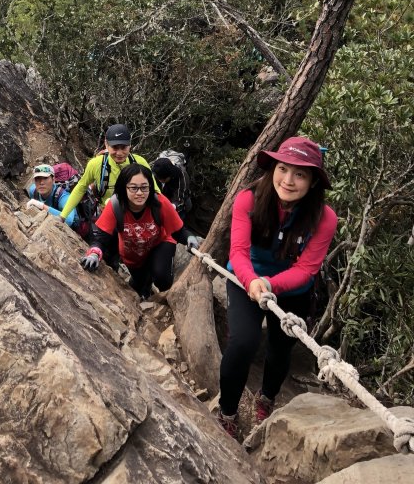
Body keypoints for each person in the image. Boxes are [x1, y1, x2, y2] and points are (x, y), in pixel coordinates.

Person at [217, 136, 337, 440]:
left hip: (291, 289)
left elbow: (307, 269)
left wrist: (270, 284)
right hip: (246, 279)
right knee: (243, 342)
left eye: (300, 174)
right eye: (283, 169)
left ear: (312, 182)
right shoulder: (249, 199)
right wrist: (253, 281)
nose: (289, 180)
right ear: (273, 169)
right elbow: (238, 252)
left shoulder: (324, 218)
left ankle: (266, 398)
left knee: (281, 349)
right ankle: (228, 411)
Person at [79, 163, 200, 300]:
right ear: (124, 188)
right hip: (132, 252)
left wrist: (189, 237)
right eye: (133, 188)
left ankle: (162, 300)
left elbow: (178, 231)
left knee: (163, 279)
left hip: (159, 244)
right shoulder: (115, 205)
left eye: (144, 187)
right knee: (140, 284)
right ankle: (144, 287)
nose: (140, 193)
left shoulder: (159, 203)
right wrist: (94, 254)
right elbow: (101, 237)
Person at [56, 124, 156, 224]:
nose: (120, 153)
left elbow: (155, 192)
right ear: (106, 144)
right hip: (108, 217)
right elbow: (81, 188)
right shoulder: (96, 164)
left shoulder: (140, 163)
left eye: (124, 147)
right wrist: (63, 216)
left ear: (130, 145)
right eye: (115, 147)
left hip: (138, 217)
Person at [26, 164, 79, 229]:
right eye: (37, 178)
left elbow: (69, 220)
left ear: (53, 179)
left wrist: (41, 206)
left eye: (45, 178)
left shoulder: (63, 196)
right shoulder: (33, 191)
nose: (41, 182)